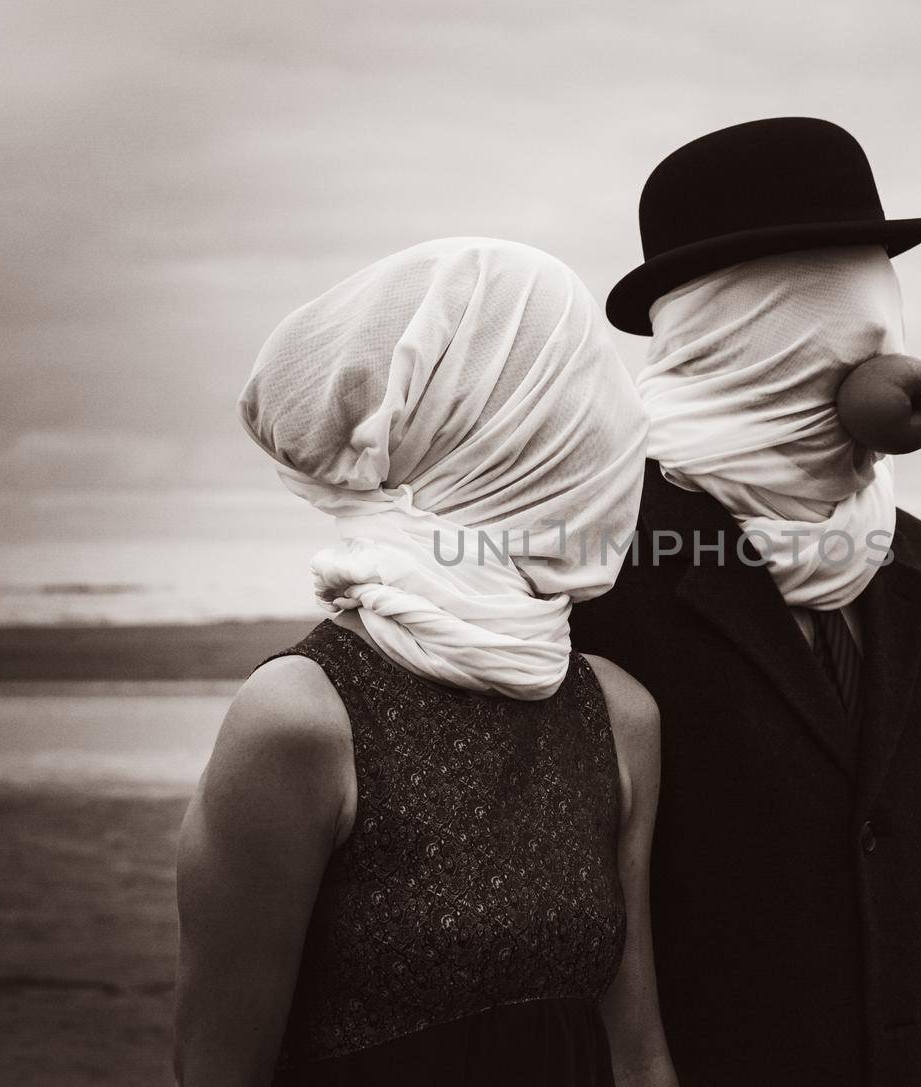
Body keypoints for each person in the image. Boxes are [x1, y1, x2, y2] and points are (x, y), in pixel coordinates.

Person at [572, 119, 921, 1086]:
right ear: (740, 331)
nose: (877, 352)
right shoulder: (591, 571)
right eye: (828, 313)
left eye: (880, 312)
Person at [174, 238, 678, 1087]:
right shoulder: (303, 718)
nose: (618, 432)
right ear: (496, 435)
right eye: (580, 400)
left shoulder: (617, 713)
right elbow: (218, 1065)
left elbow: (637, 1049)